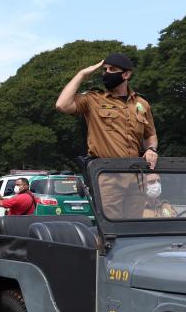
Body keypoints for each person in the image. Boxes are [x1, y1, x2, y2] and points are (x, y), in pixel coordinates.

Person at [55, 52, 158, 218]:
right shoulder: (94, 99)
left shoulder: (141, 103)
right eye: (105, 69)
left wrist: (152, 149)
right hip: (107, 175)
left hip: (136, 176)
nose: (107, 73)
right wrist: (82, 74)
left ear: (126, 74)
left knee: (134, 225)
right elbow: (62, 105)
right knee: (110, 228)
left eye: (112, 69)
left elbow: (150, 135)